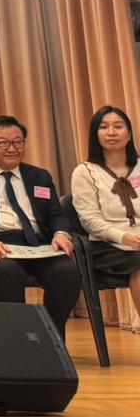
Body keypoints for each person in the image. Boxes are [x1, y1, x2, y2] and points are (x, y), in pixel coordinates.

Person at [0, 115, 79, 337]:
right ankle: (19, 338)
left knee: (67, 272)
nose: (12, 148)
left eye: (18, 142)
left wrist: (61, 234)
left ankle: (51, 336)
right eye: (3, 143)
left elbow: (55, 214)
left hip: (37, 244)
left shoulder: (39, 176)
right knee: (6, 271)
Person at [70, 105, 140, 306]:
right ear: (95, 135)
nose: (111, 132)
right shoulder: (84, 172)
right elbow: (90, 221)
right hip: (106, 245)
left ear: (129, 135)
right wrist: (124, 237)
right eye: (104, 127)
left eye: (118, 126)